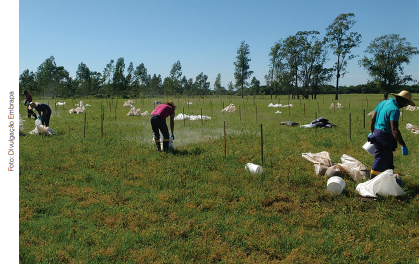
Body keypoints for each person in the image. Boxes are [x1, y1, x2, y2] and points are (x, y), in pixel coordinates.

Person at [368, 90, 415, 185]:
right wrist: (403, 145)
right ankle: (372, 183)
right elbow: (394, 129)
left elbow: (373, 119)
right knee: (381, 158)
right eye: (405, 103)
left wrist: (373, 132)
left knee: (388, 158)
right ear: (401, 100)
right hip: (384, 136)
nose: (405, 105)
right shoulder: (394, 109)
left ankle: (387, 180)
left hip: (377, 133)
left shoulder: (383, 103)